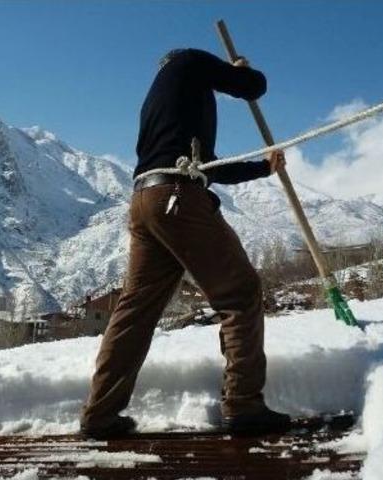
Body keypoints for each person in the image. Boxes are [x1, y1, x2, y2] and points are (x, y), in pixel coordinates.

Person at [79, 48, 290, 439]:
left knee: (135, 310)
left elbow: (209, 165)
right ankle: (244, 404)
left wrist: (263, 168)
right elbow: (253, 87)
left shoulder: (162, 101)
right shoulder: (190, 62)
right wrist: (238, 71)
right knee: (240, 293)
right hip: (178, 196)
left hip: (146, 201)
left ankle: (100, 414)